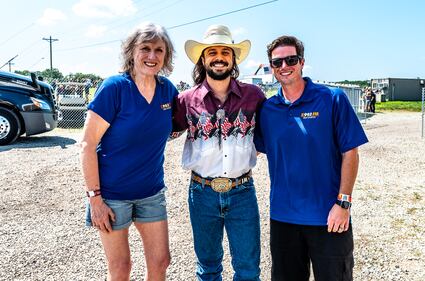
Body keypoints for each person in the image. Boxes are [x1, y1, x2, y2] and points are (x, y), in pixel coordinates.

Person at [254, 35, 368, 281]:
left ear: (302, 62)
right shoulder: (267, 110)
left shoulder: (332, 98)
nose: (284, 66)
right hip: (283, 219)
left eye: (290, 59)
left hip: (329, 216)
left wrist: (344, 203)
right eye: (277, 62)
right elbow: (249, 149)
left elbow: (351, 152)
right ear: (272, 68)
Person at [80, 22, 178, 281]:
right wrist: (95, 200)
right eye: (145, 48)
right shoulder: (114, 88)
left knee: (161, 261)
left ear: (166, 55)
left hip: (151, 193)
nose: (152, 56)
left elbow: (179, 125)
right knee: (121, 267)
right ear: (131, 51)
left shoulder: (168, 91)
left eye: (159, 50)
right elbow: (87, 145)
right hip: (112, 196)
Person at [172, 25, 265, 280]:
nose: (219, 57)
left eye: (225, 51)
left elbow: (272, 134)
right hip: (202, 193)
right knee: (208, 268)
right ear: (203, 59)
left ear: (233, 58)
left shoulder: (254, 96)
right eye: (212, 52)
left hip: (242, 192)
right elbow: (162, 132)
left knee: (248, 270)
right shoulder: (186, 100)